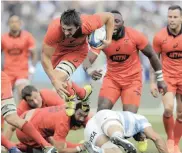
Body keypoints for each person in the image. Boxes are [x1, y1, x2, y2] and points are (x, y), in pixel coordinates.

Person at [83, 10, 167, 113]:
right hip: (112, 79)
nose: (113, 24)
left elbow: (152, 55)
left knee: (130, 117)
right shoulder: (101, 38)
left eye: (117, 21)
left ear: (123, 23)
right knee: (101, 112)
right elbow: (87, 60)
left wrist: (160, 78)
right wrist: (90, 70)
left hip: (133, 80)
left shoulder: (135, 35)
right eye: (110, 22)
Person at [41, 9, 114, 115]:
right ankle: (83, 93)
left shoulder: (89, 23)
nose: (66, 33)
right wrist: (53, 81)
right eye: (64, 29)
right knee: (57, 80)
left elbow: (109, 16)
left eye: (70, 30)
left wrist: (109, 39)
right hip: (57, 51)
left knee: (58, 80)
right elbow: (45, 57)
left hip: (76, 52)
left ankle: (56, 113)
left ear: (78, 26)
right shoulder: (54, 30)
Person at [150, 5, 182, 153]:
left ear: (181, 18)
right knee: (168, 109)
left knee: (181, 113)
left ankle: (175, 144)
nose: (172, 20)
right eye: (170, 17)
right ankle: (170, 139)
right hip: (167, 77)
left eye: (175, 17)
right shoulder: (159, 37)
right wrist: (152, 82)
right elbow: (153, 60)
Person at [1, 71, 57, 153]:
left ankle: (47, 146)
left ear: (38, 92)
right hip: (36, 135)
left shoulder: (49, 95)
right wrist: (5, 148)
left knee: (12, 118)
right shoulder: (23, 106)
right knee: (13, 119)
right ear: (25, 100)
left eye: (36, 97)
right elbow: (11, 127)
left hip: (6, 78)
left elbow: (64, 113)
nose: (35, 102)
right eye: (31, 100)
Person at [16, 103, 90, 153]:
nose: (81, 119)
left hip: (25, 117)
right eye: (79, 115)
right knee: (52, 150)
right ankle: (16, 148)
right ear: (74, 111)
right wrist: (79, 148)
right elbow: (60, 150)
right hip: (25, 131)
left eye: (84, 116)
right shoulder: (64, 123)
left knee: (55, 142)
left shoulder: (67, 106)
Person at [84, 109, 169, 153]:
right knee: (115, 131)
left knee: (114, 150)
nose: (145, 138)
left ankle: (99, 151)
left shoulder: (130, 130)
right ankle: (116, 135)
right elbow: (156, 138)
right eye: (145, 137)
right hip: (105, 116)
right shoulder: (141, 120)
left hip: (90, 128)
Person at [1, 15, 37, 102]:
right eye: (12, 22)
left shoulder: (28, 36)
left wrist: (32, 67)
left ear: (20, 23)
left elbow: (34, 53)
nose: (14, 24)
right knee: (4, 96)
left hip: (22, 71)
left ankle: (21, 114)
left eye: (16, 22)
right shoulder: (3, 38)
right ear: (8, 24)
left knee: (22, 93)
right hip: (8, 71)